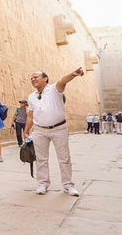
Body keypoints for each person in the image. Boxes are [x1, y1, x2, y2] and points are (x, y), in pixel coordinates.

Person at [24, 68, 84, 197]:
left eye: (36, 77)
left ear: (45, 78)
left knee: (64, 158)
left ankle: (68, 185)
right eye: (31, 78)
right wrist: (26, 130)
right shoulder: (31, 96)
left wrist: (73, 74)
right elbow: (30, 115)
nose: (33, 79)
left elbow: (63, 81)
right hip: (40, 130)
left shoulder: (54, 89)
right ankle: (43, 183)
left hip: (59, 129)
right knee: (41, 159)